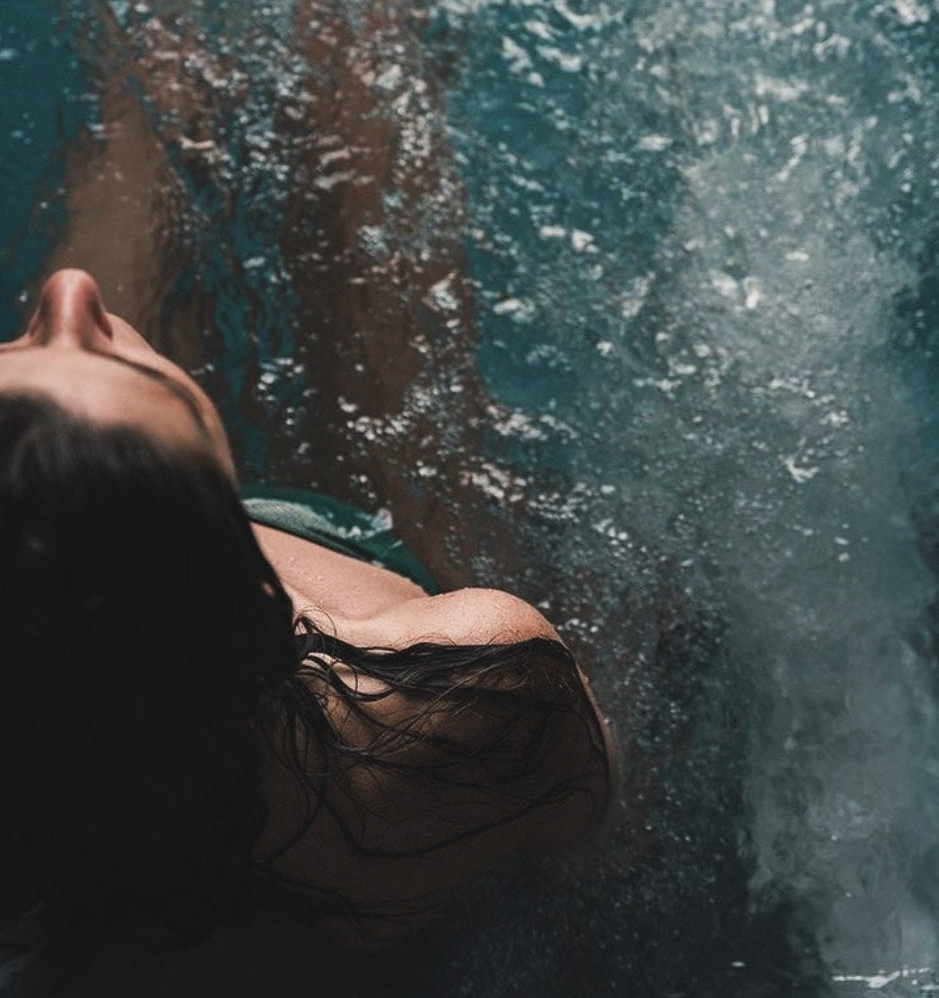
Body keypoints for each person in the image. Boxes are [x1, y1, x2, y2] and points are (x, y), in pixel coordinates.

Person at [0, 268, 614, 972]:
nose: (68, 290)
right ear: (256, 602)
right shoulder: (462, 700)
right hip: (366, 584)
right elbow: (601, 839)